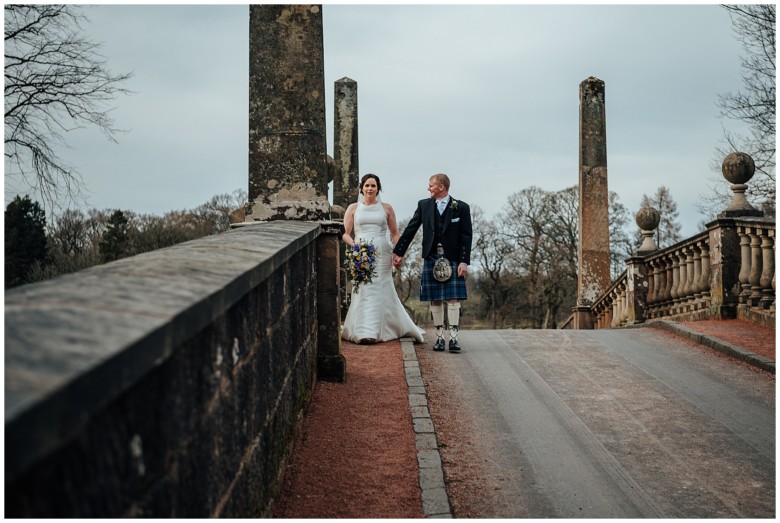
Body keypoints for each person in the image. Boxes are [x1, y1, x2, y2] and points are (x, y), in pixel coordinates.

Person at [341, 174, 425, 344]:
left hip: (382, 252)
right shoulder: (353, 208)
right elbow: (345, 233)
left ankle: (379, 328)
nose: (370, 188)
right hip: (361, 252)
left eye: (373, 185)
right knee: (364, 288)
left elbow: (395, 233)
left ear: (378, 188)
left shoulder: (386, 208)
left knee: (381, 287)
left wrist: (398, 253)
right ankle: (364, 331)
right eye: (367, 185)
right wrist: (355, 247)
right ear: (361, 188)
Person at [392, 173, 472, 352]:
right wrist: (398, 252)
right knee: (435, 299)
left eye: (431, 185)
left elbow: (466, 236)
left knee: (453, 298)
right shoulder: (424, 205)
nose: (428, 188)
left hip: (452, 258)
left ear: (441, 187)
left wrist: (464, 262)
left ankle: (453, 339)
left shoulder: (461, 207)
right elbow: (411, 229)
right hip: (431, 256)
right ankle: (439, 338)